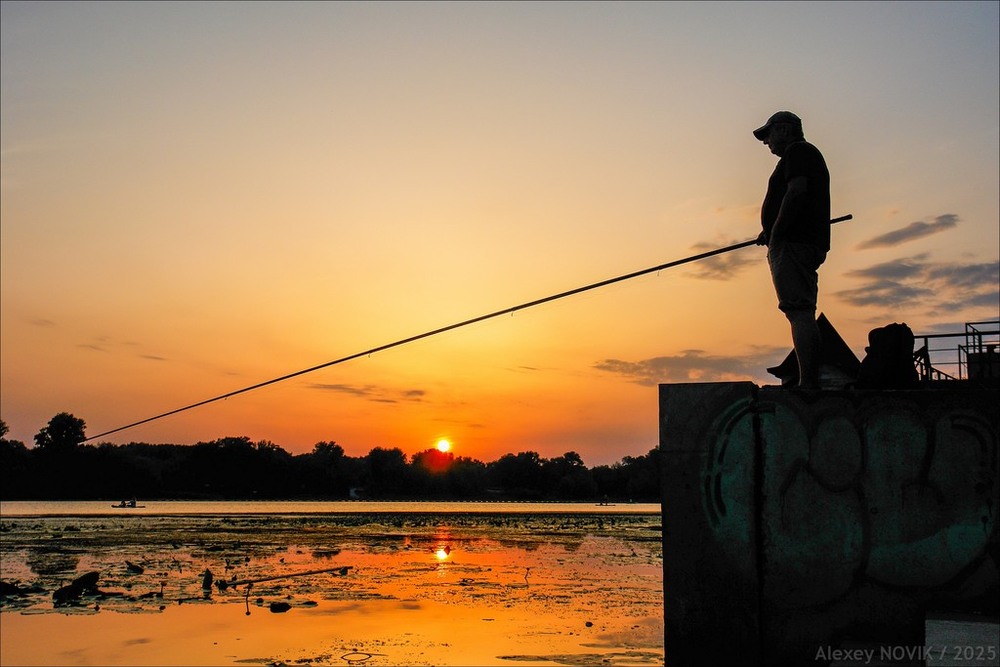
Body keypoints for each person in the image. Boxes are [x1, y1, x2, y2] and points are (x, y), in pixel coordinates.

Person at [753, 111, 831, 390]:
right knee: (800, 311)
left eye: (769, 135)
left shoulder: (799, 152)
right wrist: (771, 229)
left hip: (794, 243)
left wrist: (777, 232)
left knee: (798, 310)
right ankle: (807, 381)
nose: (766, 142)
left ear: (784, 130)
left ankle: (808, 384)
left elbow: (797, 192)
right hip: (796, 240)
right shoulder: (801, 155)